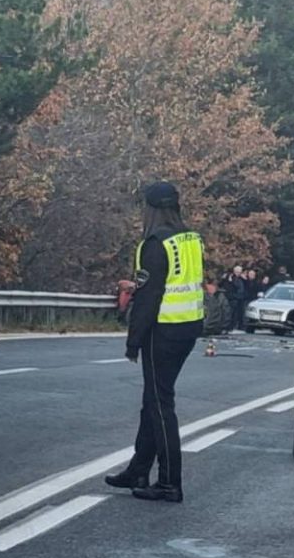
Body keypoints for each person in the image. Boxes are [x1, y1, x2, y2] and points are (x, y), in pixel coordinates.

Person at [104, 182, 204, 504]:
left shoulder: (154, 244)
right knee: (154, 399)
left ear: (150, 209)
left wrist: (133, 341)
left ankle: (169, 482)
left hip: (163, 330)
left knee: (161, 405)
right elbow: (176, 282)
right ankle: (138, 468)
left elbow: (150, 298)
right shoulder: (190, 239)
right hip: (189, 327)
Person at [222, 265, 247, 332]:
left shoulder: (241, 279)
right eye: (237, 272)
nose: (238, 273)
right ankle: (229, 327)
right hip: (233, 298)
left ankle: (234, 326)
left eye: (240, 272)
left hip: (239, 299)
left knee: (237, 314)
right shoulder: (230, 278)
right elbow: (230, 287)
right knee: (231, 313)